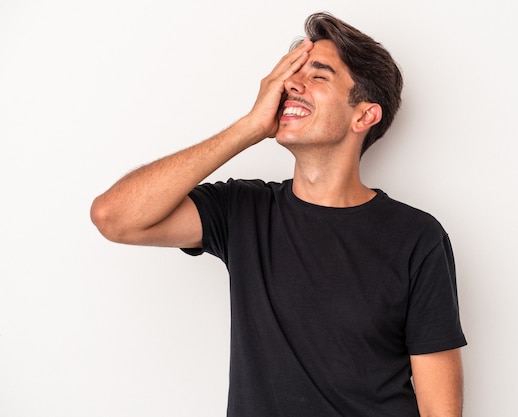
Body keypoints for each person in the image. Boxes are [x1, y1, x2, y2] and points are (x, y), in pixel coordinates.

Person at [91, 12, 466, 417]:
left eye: (318, 75)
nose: (291, 85)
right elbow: (115, 217)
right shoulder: (242, 211)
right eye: (292, 74)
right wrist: (250, 126)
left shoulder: (416, 237)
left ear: (364, 115)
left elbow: (440, 410)